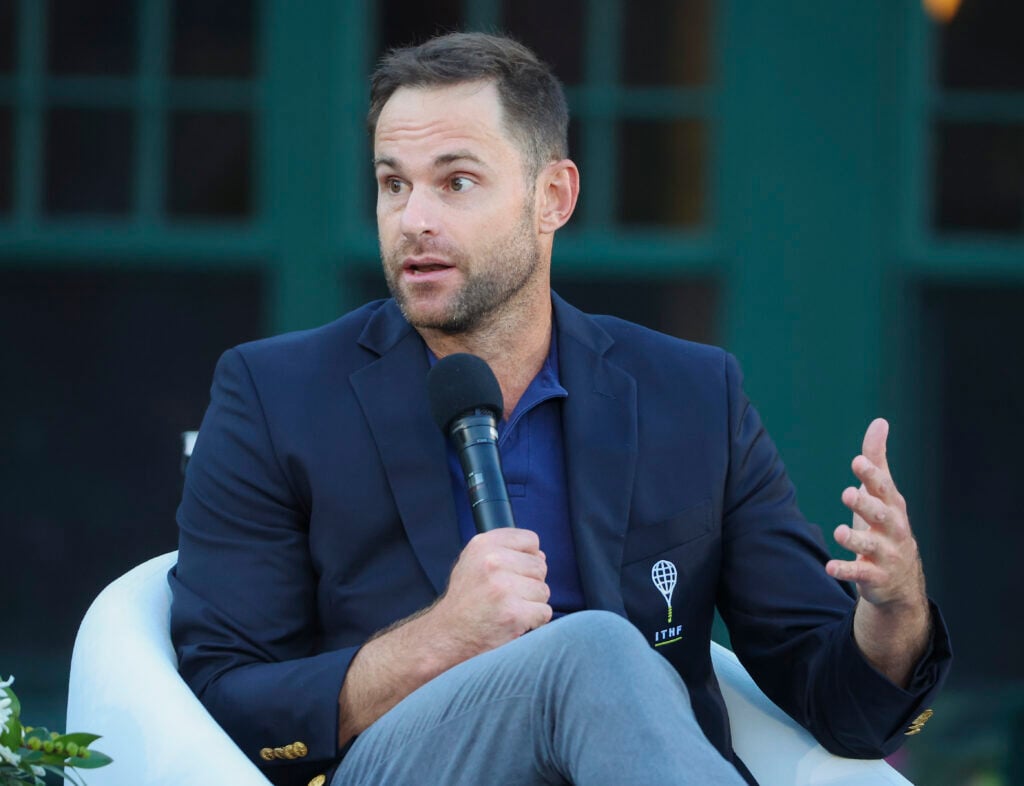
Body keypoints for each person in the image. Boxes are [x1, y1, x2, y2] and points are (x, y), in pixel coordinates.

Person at [170, 32, 951, 786]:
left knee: (597, 653)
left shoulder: (689, 395)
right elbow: (223, 702)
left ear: (554, 196)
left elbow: (845, 711)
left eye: (457, 181)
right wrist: (439, 639)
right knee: (596, 651)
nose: (414, 219)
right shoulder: (275, 394)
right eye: (392, 183)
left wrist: (895, 614)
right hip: (394, 766)